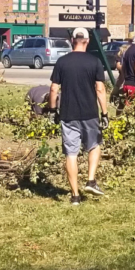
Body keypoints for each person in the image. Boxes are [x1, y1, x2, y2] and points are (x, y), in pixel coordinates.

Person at [49, 27, 109, 205]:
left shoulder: (62, 62)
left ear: (71, 40)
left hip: (68, 114)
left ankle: (75, 196)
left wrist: (53, 111)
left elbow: (53, 88)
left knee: (71, 154)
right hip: (90, 113)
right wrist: (104, 113)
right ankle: (91, 180)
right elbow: (100, 89)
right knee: (94, 146)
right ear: (88, 41)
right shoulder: (95, 61)